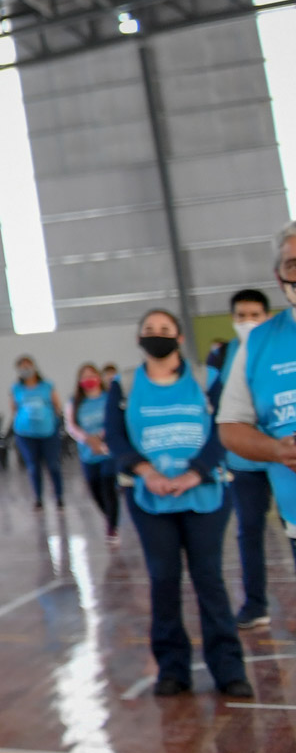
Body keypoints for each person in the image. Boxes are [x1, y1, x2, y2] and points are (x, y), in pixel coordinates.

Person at [107, 309, 252, 698]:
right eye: (149, 329)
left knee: (209, 580)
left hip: (204, 493)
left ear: (179, 337)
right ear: (139, 338)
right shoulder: (122, 385)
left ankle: (229, 670)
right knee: (163, 580)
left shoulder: (207, 380)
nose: (157, 335)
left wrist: (196, 472)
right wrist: (146, 472)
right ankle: (172, 670)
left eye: (164, 329)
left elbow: (227, 427)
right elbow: (116, 439)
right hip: (149, 498)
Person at [217, 224, 296, 631]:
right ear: (279, 275)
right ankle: (255, 601)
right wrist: (279, 450)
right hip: (293, 505)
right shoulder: (258, 343)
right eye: (292, 264)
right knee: (249, 531)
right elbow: (230, 425)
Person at [207, 289, 274, 630]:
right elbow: (216, 409)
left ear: (267, 316)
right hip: (244, 462)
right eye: (241, 315)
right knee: (249, 532)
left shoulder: (277, 346)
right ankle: (255, 604)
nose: (248, 321)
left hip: (283, 455)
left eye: (255, 315)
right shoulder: (222, 355)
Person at [66, 364, 119, 544]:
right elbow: (71, 426)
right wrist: (88, 439)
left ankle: (112, 527)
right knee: (96, 490)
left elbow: (114, 419)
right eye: (85, 376)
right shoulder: (75, 402)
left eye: (92, 375)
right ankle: (109, 516)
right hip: (88, 452)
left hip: (108, 452)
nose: (89, 379)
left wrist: (101, 437)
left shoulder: (108, 397)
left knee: (108, 487)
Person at [10, 355, 65, 511]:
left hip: (48, 432)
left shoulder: (47, 385)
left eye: (28, 365)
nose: (26, 369)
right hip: (26, 434)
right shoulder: (16, 388)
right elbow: (14, 409)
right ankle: (38, 498)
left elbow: (57, 405)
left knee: (53, 465)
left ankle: (59, 497)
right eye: (22, 367)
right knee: (33, 467)